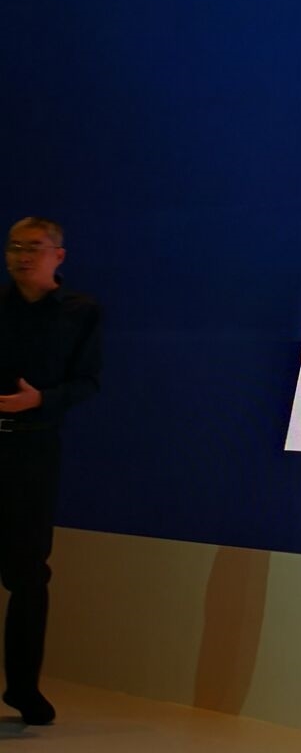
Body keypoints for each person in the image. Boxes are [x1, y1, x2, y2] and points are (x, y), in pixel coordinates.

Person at [0, 218, 101, 728]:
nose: (22, 256)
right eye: (14, 246)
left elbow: (88, 381)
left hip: (33, 449)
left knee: (28, 573)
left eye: (34, 248)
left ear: (58, 255)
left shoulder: (80, 312)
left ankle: (23, 688)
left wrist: (40, 400)